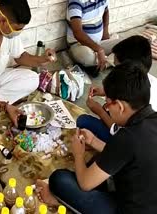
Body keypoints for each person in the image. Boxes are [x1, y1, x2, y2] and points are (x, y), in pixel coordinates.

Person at [36, 62, 157, 214]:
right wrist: (93, 141)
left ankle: (63, 203)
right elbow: (127, 155)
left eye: (107, 104)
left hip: (128, 208)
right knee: (96, 159)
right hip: (144, 192)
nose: (106, 109)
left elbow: (86, 183)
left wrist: (78, 154)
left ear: (120, 106)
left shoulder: (127, 137)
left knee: (59, 180)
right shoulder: (150, 120)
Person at [77, 35, 156, 142]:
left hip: (129, 140)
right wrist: (106, 92)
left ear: (129, 68)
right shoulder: (144, 80)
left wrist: (100, 112)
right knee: (107, 107)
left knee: (83, 121)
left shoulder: (136, 131)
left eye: (117, 67)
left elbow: (122, 134)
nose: (114, 71)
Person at [66, 0, 120, 77]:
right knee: (87, 56)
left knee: (126, 44)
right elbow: (77, 33)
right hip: (79, 45)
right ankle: (109, 61)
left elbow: (106, 11)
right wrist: (99, 50)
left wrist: (105, 31)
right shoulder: (76, 2)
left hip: (98, 43)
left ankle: (102, 65)